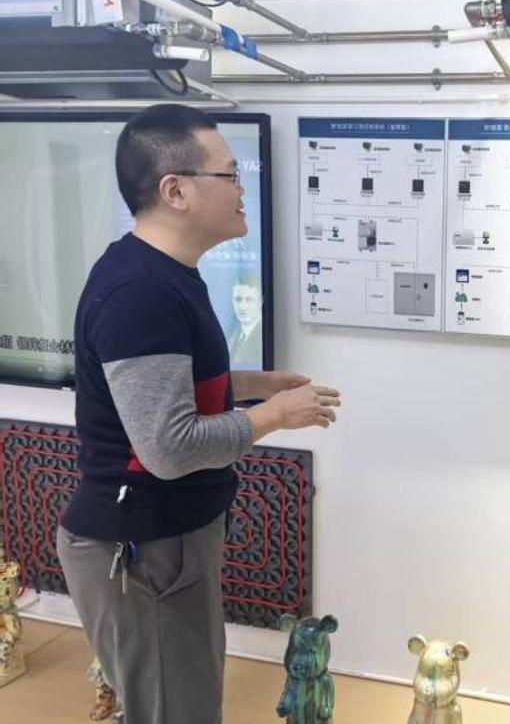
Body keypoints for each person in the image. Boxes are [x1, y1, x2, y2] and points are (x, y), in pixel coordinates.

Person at [56, 104, 340, 724]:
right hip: (141, 548)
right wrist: (274, 415)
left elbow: (164, 390)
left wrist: (253, 385)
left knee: (186, 705)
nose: (241, 189)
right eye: (229, 174)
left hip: (168, 541)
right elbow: (168, 446)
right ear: (175, 191)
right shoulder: (141, 293)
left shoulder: (166, 276)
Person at [227, 271, 263, 367]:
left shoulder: (263, 337)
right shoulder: (231, 336)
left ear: (260, 301)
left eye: (249, 300)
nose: (243, 307)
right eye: (238, 299)